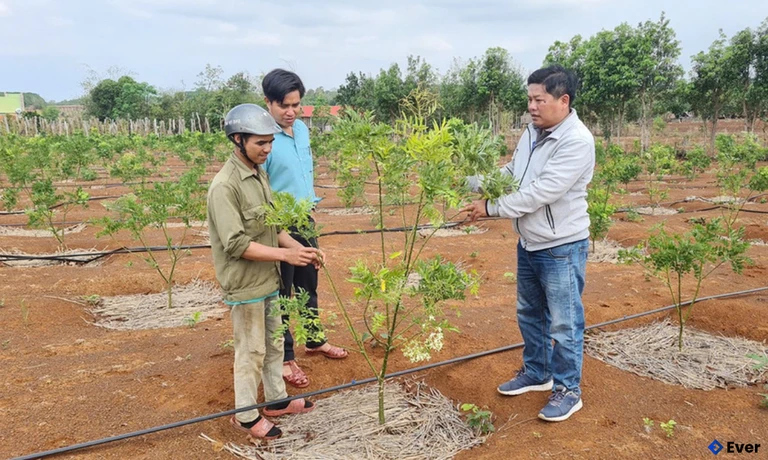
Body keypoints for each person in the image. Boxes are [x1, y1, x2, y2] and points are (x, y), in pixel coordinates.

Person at [461, 65, 595, 422]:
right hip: (531, 242)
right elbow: (513, 173)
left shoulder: (576, 141)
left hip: (562, 246)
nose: (532, 106)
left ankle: (568, 390)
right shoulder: (533, 132)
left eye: (539, 99)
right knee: (529, 313)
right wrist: (474, 181)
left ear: (563, 101)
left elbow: (541, 193)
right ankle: (538, 371)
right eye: (530, 99)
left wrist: (489, 207)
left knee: (565, 324)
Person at [207, 103, 321, 440]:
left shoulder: (260, 173)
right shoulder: (225, 186)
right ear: (238, 139)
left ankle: (276, 400)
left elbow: (273, 225)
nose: (268, 149)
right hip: (245, 284)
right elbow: (236, 244)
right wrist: (285, 257)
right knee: (251, 350)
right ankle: (244, 415)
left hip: (269, 277)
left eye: (270, 142)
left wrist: (297, 249)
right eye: (261, 143)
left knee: (273, 344)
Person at [262, 68, 348, 389]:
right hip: (277, 226)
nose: (291, 112)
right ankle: (285, 357)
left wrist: (310, 207)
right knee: (282, 292)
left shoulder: (301, 130)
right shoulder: (263, 138)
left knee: (308, 284)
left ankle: (314, 339)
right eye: (284, 105)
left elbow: (303, 173)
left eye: (296, 105)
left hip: (304, 219)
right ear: (268, 102)